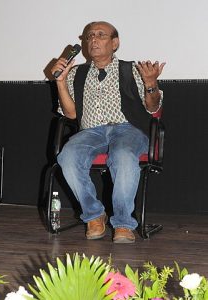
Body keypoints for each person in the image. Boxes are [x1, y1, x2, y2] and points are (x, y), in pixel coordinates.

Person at [51, 21, 166, 243]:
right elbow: (71, 114)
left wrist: (151, 83)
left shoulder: (132, 69)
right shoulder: (77, 73)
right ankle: (94, 215)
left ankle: (123, 223)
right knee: (68, 156)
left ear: (115, 43)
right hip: (91, 132)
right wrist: (61, 82)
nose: (93, 39)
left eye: (101, 35)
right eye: (89, 36)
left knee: (122, 155)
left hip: (127, 129)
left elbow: (153, 107)